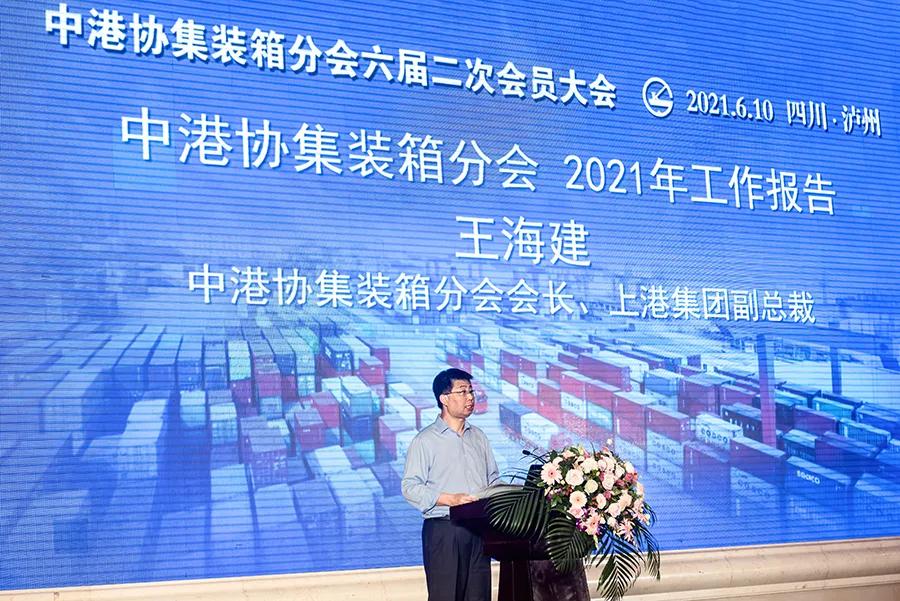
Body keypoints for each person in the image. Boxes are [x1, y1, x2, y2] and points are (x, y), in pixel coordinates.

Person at [402, 367, 499, 601]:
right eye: (463, 391)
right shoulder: (425, 440)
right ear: (444, 399)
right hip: (445, 530)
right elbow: (410, 487)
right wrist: (450, 499)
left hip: (479, 530)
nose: (470, 397)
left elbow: (493, 479)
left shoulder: (479, 436)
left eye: (471, 391)